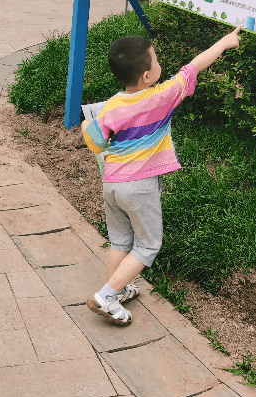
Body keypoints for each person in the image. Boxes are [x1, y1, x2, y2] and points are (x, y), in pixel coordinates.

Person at [81, 27, 243, 324]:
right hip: (138, 188)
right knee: (148, 245)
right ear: (146, 76)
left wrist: (83, 129)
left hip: (112, 184)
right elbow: (193, 66)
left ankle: (117, 290)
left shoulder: (113, 105)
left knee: (120, 241)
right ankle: (106, 295)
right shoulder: (162, 97)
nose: (159, 64)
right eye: (155, 60)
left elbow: (95, 141)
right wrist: (226, 42)